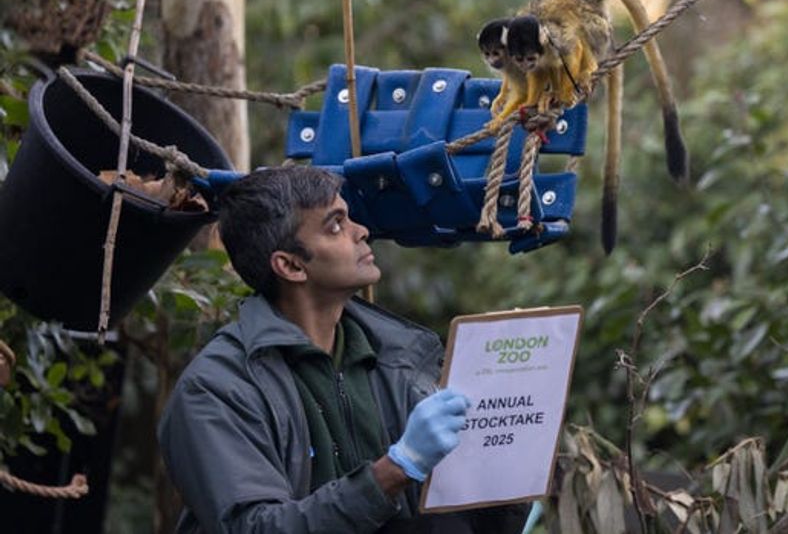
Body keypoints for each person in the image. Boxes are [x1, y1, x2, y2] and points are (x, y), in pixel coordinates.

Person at [157, 166, 529, 533]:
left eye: (349, 217)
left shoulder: (402, 362)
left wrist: (508, 462)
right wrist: (396, 468)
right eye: (335, 225)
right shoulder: (216, 390)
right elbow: (254, 528)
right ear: (290, 265)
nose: (361, 231)